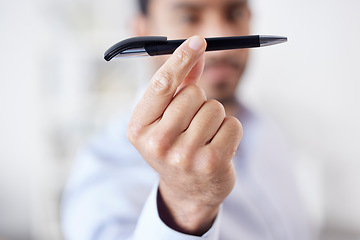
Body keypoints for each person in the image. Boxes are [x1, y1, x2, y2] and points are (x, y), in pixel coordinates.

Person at [61, 0, 312, 239]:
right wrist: (185, 206)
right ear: (142, 30)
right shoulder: (104, 164)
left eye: (234, 13)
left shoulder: (268, 127)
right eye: (188, 17)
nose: (222, 35)